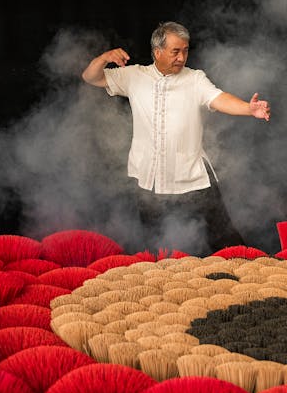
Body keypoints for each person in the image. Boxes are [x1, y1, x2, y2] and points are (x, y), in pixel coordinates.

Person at [82, 21, 270, 255]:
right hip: (148, 174)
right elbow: (90, 77)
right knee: (154, 242)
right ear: (157, 52)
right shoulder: (133, 76)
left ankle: (249, 274)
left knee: (223, 235)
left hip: (190, 171)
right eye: (175, 51)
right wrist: (104, 58)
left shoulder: (195, 79)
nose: (181, 57)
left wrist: (247, 108)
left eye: (185, 50)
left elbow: (218, 98)